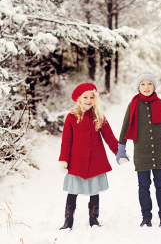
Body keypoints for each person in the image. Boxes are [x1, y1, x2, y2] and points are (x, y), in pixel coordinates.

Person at [116, 72, 161, 229]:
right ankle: (146, 217)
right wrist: (121, 148)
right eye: (143, 84)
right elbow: (125, 126)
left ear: (154, 86)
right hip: (141, 152)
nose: (146, 87)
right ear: (138, 87)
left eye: (149, 84)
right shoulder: (133, 105)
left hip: (159, 152)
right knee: (143, 185)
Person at [58, 82, 119, 230]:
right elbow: (66, 140)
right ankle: (68, 221)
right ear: (79, 99)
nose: (88, 100)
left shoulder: (99, 116)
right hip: (76, 162)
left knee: (94, 190)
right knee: (73, 191)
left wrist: (119, 152)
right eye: (85, 97)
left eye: (91, 97)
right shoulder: (71, 117)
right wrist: (63, 160)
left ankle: (94, 219)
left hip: (95, 160)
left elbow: (109, 136)